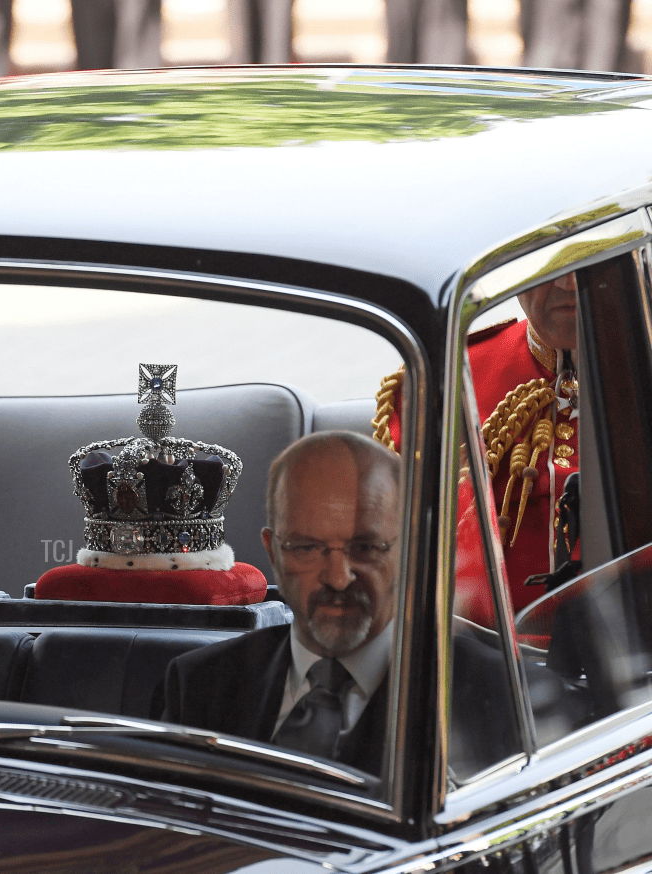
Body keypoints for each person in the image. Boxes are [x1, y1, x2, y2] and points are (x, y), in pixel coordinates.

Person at [161, 432, 400, 774]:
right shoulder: (198, 686)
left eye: (365, 548)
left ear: (408, 547)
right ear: (272, 552)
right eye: (306, 548)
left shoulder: (485, 693)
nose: (337, 578)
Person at [374, 272, 580, 623]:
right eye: (552, 264)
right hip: (485, 656)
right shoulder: (440, 384)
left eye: (590, 259)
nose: (569, 284)